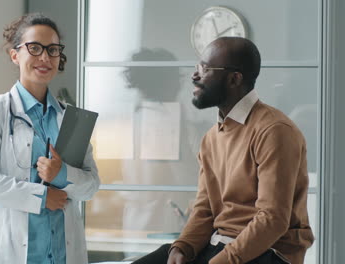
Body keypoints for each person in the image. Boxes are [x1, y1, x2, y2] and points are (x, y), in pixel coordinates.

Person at [132, 37, 314, 264]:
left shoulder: (274, 131)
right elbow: (205, 209)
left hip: (269, 252)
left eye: (205, 69)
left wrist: (221, 261)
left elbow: (272, 219)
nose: (194, 76)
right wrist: (184, 246)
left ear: (234, 79)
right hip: (219, 244)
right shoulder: (211, 137)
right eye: (197, 67)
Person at [0, 13, 100, 264]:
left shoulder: (71, 118)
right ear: (15, 55)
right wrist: (40, 197)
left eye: (53, 50)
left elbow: (91, 185)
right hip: (11, 253)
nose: (45, 58)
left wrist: (62, 175)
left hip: (62, 254)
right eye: (35, 48)